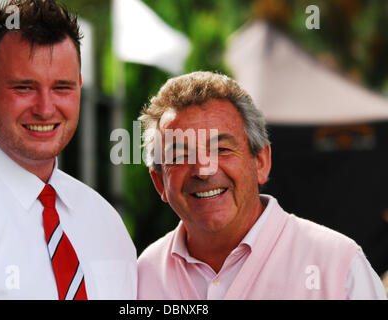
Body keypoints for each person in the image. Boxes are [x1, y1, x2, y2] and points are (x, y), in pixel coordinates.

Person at [0, 0, 136, 299]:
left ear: (79, 87)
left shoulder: (106, 224)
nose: (45, 109)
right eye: (24, 87)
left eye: (62, 88)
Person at [137, 71, 386, 299]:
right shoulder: (143, 276)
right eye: (181, 156)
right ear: (159, 181)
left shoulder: (337, 266)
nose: (203, 170)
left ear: (261, 162)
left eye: (222, 149)